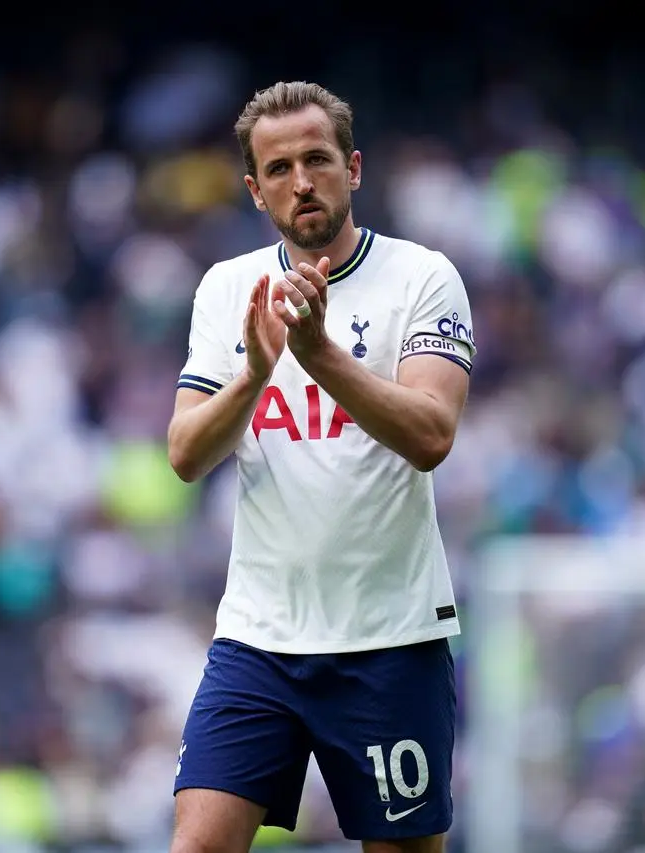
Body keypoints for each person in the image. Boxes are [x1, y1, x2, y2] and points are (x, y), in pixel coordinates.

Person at [165, 81, 475, 853]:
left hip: (390, 640)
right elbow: (185, 453)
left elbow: (432, 433)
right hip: (259, 640)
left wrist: (320, 356)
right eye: (278, 169)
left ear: (354, 167)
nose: (300, 181)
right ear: (254, 189)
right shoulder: (228, 289)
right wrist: (254, 371)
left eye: (317, 159)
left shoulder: (422, 278)